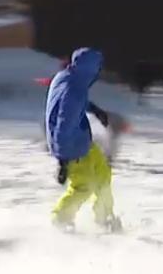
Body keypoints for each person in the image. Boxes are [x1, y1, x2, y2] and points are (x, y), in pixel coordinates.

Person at [45, 48, 122, 232]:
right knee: (84, 185)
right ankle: (61, 220)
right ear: (90, 69)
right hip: (70, 147)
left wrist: (94, 110)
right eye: (97, 68)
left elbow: (73, 102)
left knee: (103, 175)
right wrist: (63, 160)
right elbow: (64, 123)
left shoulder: (68, 77)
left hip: (81, 140)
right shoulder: (74, 90)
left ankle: (104, 218)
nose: (98, 73)